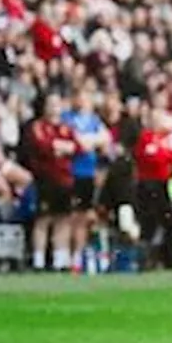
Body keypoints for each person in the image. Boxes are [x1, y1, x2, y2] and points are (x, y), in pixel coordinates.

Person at [25, 94, 81, 272]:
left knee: (63, 219)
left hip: (65, 179)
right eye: (51, 104)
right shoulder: (38, 126)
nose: (54, 108)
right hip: (45, 179)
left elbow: (77, 147)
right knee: (43, 219)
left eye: (57, 104)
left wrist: (62, 146)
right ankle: (39, 259)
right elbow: (42, 146)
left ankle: (60, 258)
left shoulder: (66, 128)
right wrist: (60, 146)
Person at [63, 89, 110, 271]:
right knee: (70, 216)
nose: (82, 101)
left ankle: (77, 259)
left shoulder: (94, 120)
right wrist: (89, 141)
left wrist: (89, 141)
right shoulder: (67, 118)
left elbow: (105, 140)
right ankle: (64, 255)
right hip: (70, 172)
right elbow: (75, 142)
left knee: (83, 217)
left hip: (88, 173)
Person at [133, 110, 172, 270]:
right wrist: (165, 153)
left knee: (169, 222)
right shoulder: (145, 138)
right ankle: (145, 261)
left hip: (161, 183)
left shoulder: (162, 139)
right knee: (149, 223)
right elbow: (152, 157)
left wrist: (163, 153)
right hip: (148, 184)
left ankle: (170, 260)